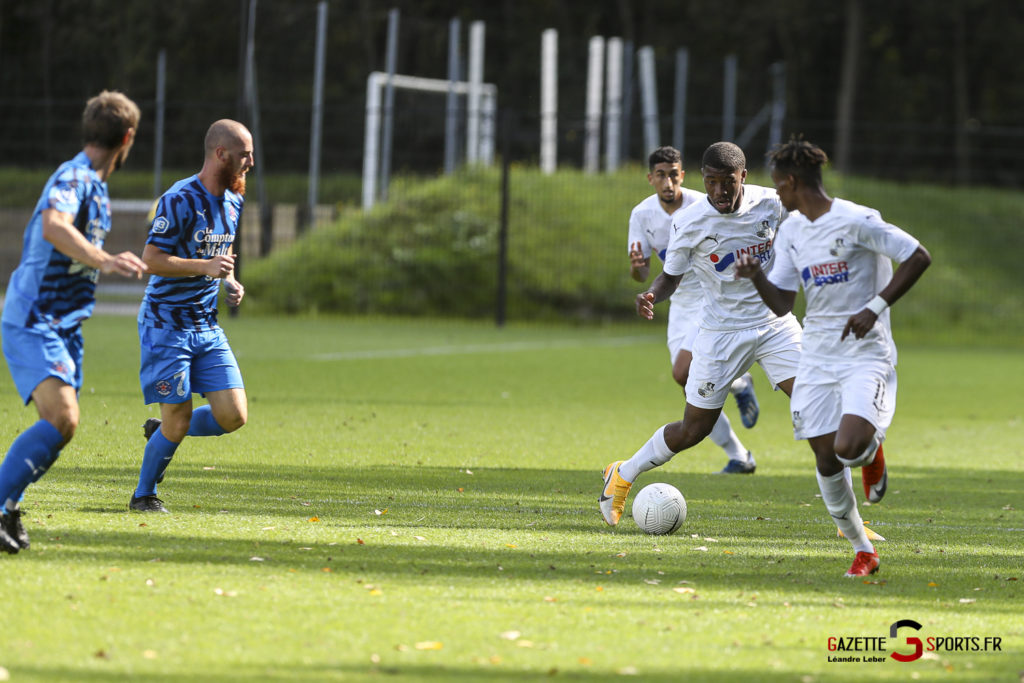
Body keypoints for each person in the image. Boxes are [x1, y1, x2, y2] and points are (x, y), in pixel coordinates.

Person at [734, 138, 930, 577]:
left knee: (849, 446)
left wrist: (875, 308)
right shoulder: (792, 231)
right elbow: (783, 302)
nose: (776, 194)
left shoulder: (858, 220)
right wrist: (756, 276)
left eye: (778, 186)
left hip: (865, 353)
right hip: (817, 357)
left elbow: (918, 256)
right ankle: (863, 550)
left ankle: (871, 451)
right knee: (826, 458)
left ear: (791, 182)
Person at [601, 142, 803, 533]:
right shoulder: (689, 221)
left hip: (774, 325)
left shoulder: (771, 204)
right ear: (703, 181)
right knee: (694, 429)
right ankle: (622, 474)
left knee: (818, 404)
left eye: (727, 183)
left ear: (743, 176)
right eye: (711, 183)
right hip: (719, 332)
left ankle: (852, 527)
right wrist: (650, 296)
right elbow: (670, 277)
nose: (719, 193)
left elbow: (809, 223)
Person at [0, 91, 146, 553]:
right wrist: (103, 259)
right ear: (127, 138)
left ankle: (6, 509)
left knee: (62, 424)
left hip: (63, 323)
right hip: (34, 316)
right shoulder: (74, 177)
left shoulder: (95, 187)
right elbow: (54, 226)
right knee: (62, 417)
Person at [129, 119, 253, 513]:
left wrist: (230, 281)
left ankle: (160, 433)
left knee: (233, 416)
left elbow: (222, 257)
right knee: (178, 419)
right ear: (221, 154)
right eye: (244, 153)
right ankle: (143, 496)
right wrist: (204, 267)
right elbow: (151, 261)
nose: (251, 160)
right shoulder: (179, 198)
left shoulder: (234, 199)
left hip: (206, 326)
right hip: (166, 325)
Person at [627, 146, 760, 474]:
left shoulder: (704, 205)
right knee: (689, 385)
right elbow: (642, 273)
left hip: (709, 298)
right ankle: (739, 454)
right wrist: (638, 268)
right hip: (680, 307)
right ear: (651, 179)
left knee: (682, 372)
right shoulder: (642, 215)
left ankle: (740, 382)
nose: (668, 181)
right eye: (661, 175)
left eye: (674, 174)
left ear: (683, 176)